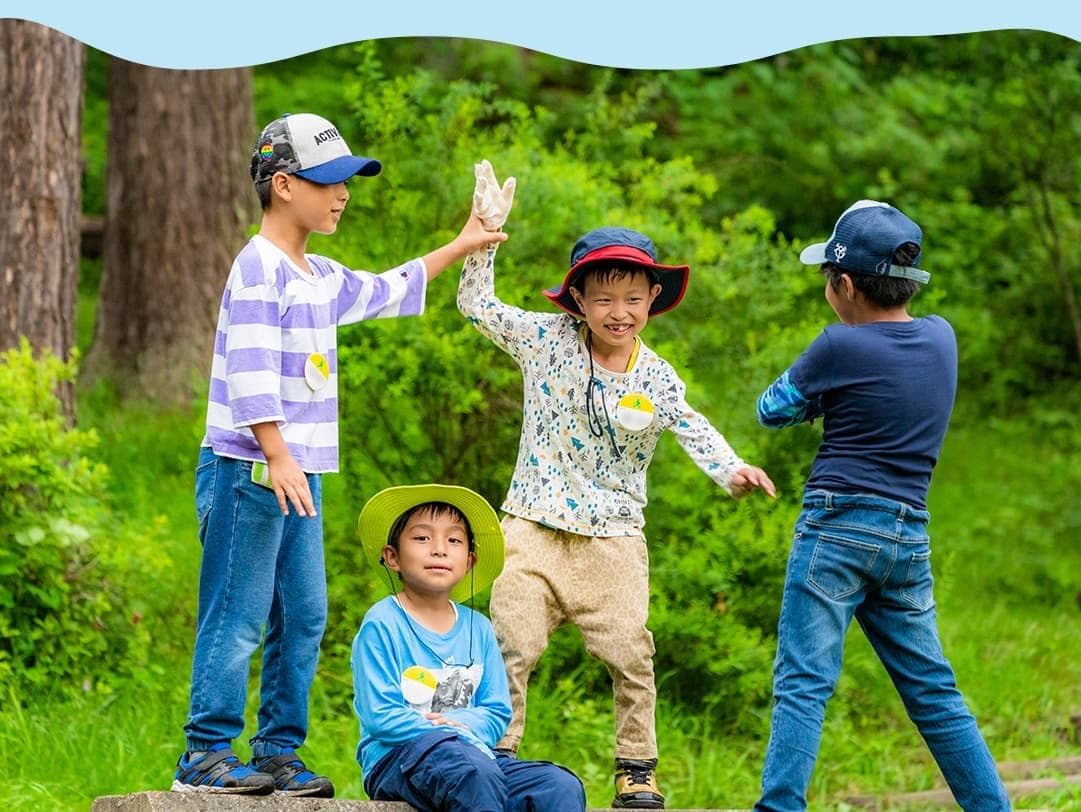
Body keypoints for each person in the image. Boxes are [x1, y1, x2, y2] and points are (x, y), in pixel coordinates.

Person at [172, 113, 506, 796]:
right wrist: (279, 454)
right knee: (236, 615)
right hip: (250, 470)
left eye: (347, 181)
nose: (343, 194)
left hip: (298, 475)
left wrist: (464, 243)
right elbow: (252, 371)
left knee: (304, 613)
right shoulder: (258, 266)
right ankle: (204, 755)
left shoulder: (316, 272)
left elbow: (385, 288)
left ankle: (276, 752)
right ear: (284, 184)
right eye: (329, 182)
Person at [458, 163, 776, 809]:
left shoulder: (656, 376)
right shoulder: (544, 341)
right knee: (509, 640)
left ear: (652, 300)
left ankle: (635, 770)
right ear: (577, 300)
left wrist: (730, 470)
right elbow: (476, 307)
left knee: (631, 654)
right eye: (603, 298)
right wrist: (486, 233)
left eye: (633, 298)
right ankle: (497, 752)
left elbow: (693, 427)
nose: (619, 312)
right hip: (533, 524)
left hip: (613, 541)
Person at [752, 200, 1011, 811]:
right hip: (907, 540)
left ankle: (780, 807)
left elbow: (772, 408)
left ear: (843, 284)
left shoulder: (838, 348)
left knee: (803, 685)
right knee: (934, 693)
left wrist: (821, 399)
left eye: (827, 280)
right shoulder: (942, 339)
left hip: (835, 530)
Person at [352, 483, 587, 811]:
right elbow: (381, 716)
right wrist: (442, 731)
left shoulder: (479, 628)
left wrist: (461, 729)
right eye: (422, 538)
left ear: (470, 560)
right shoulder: (383, 623)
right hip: (399, 758)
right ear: (392, 557)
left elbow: (495, 711)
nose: (439, 549)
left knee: (558, 786)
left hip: (475, 758)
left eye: (454, 540)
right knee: (470, 771)